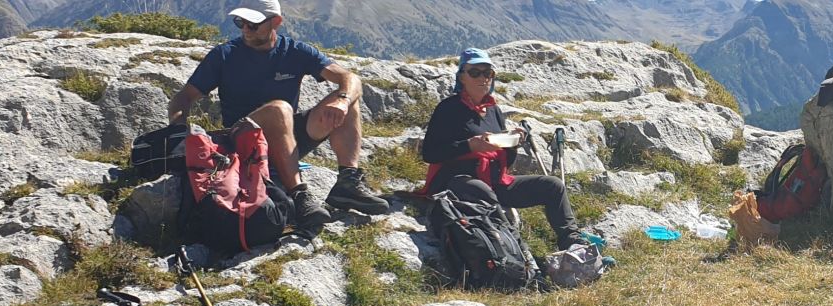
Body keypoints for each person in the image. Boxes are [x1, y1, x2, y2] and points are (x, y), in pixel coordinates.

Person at [165, 0, 390, 239]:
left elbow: (349, 77)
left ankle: (348, 181)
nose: (245, 29)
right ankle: (299, 195)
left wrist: (343, 100)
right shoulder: (224, 55)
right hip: (242, 142)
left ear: (276, 22)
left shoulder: (296, 51)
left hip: (286, 140)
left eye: (254, 24)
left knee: (346, 97)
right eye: (240, 22)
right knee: (280, 109)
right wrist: (179, 135)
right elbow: (182, 99)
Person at [421, 48, 588, 250]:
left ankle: (573, 243)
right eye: (475, 72)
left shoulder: (493, 110)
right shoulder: (448, 109)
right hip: (456, 183)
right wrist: (469, 145)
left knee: (552, 186)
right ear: (462, 77)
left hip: (494, 181)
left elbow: (505, 162)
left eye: (488, 73)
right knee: (482, 192)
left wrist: (512, 143)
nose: (483, 78)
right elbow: (430, 153)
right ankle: (517, 253)